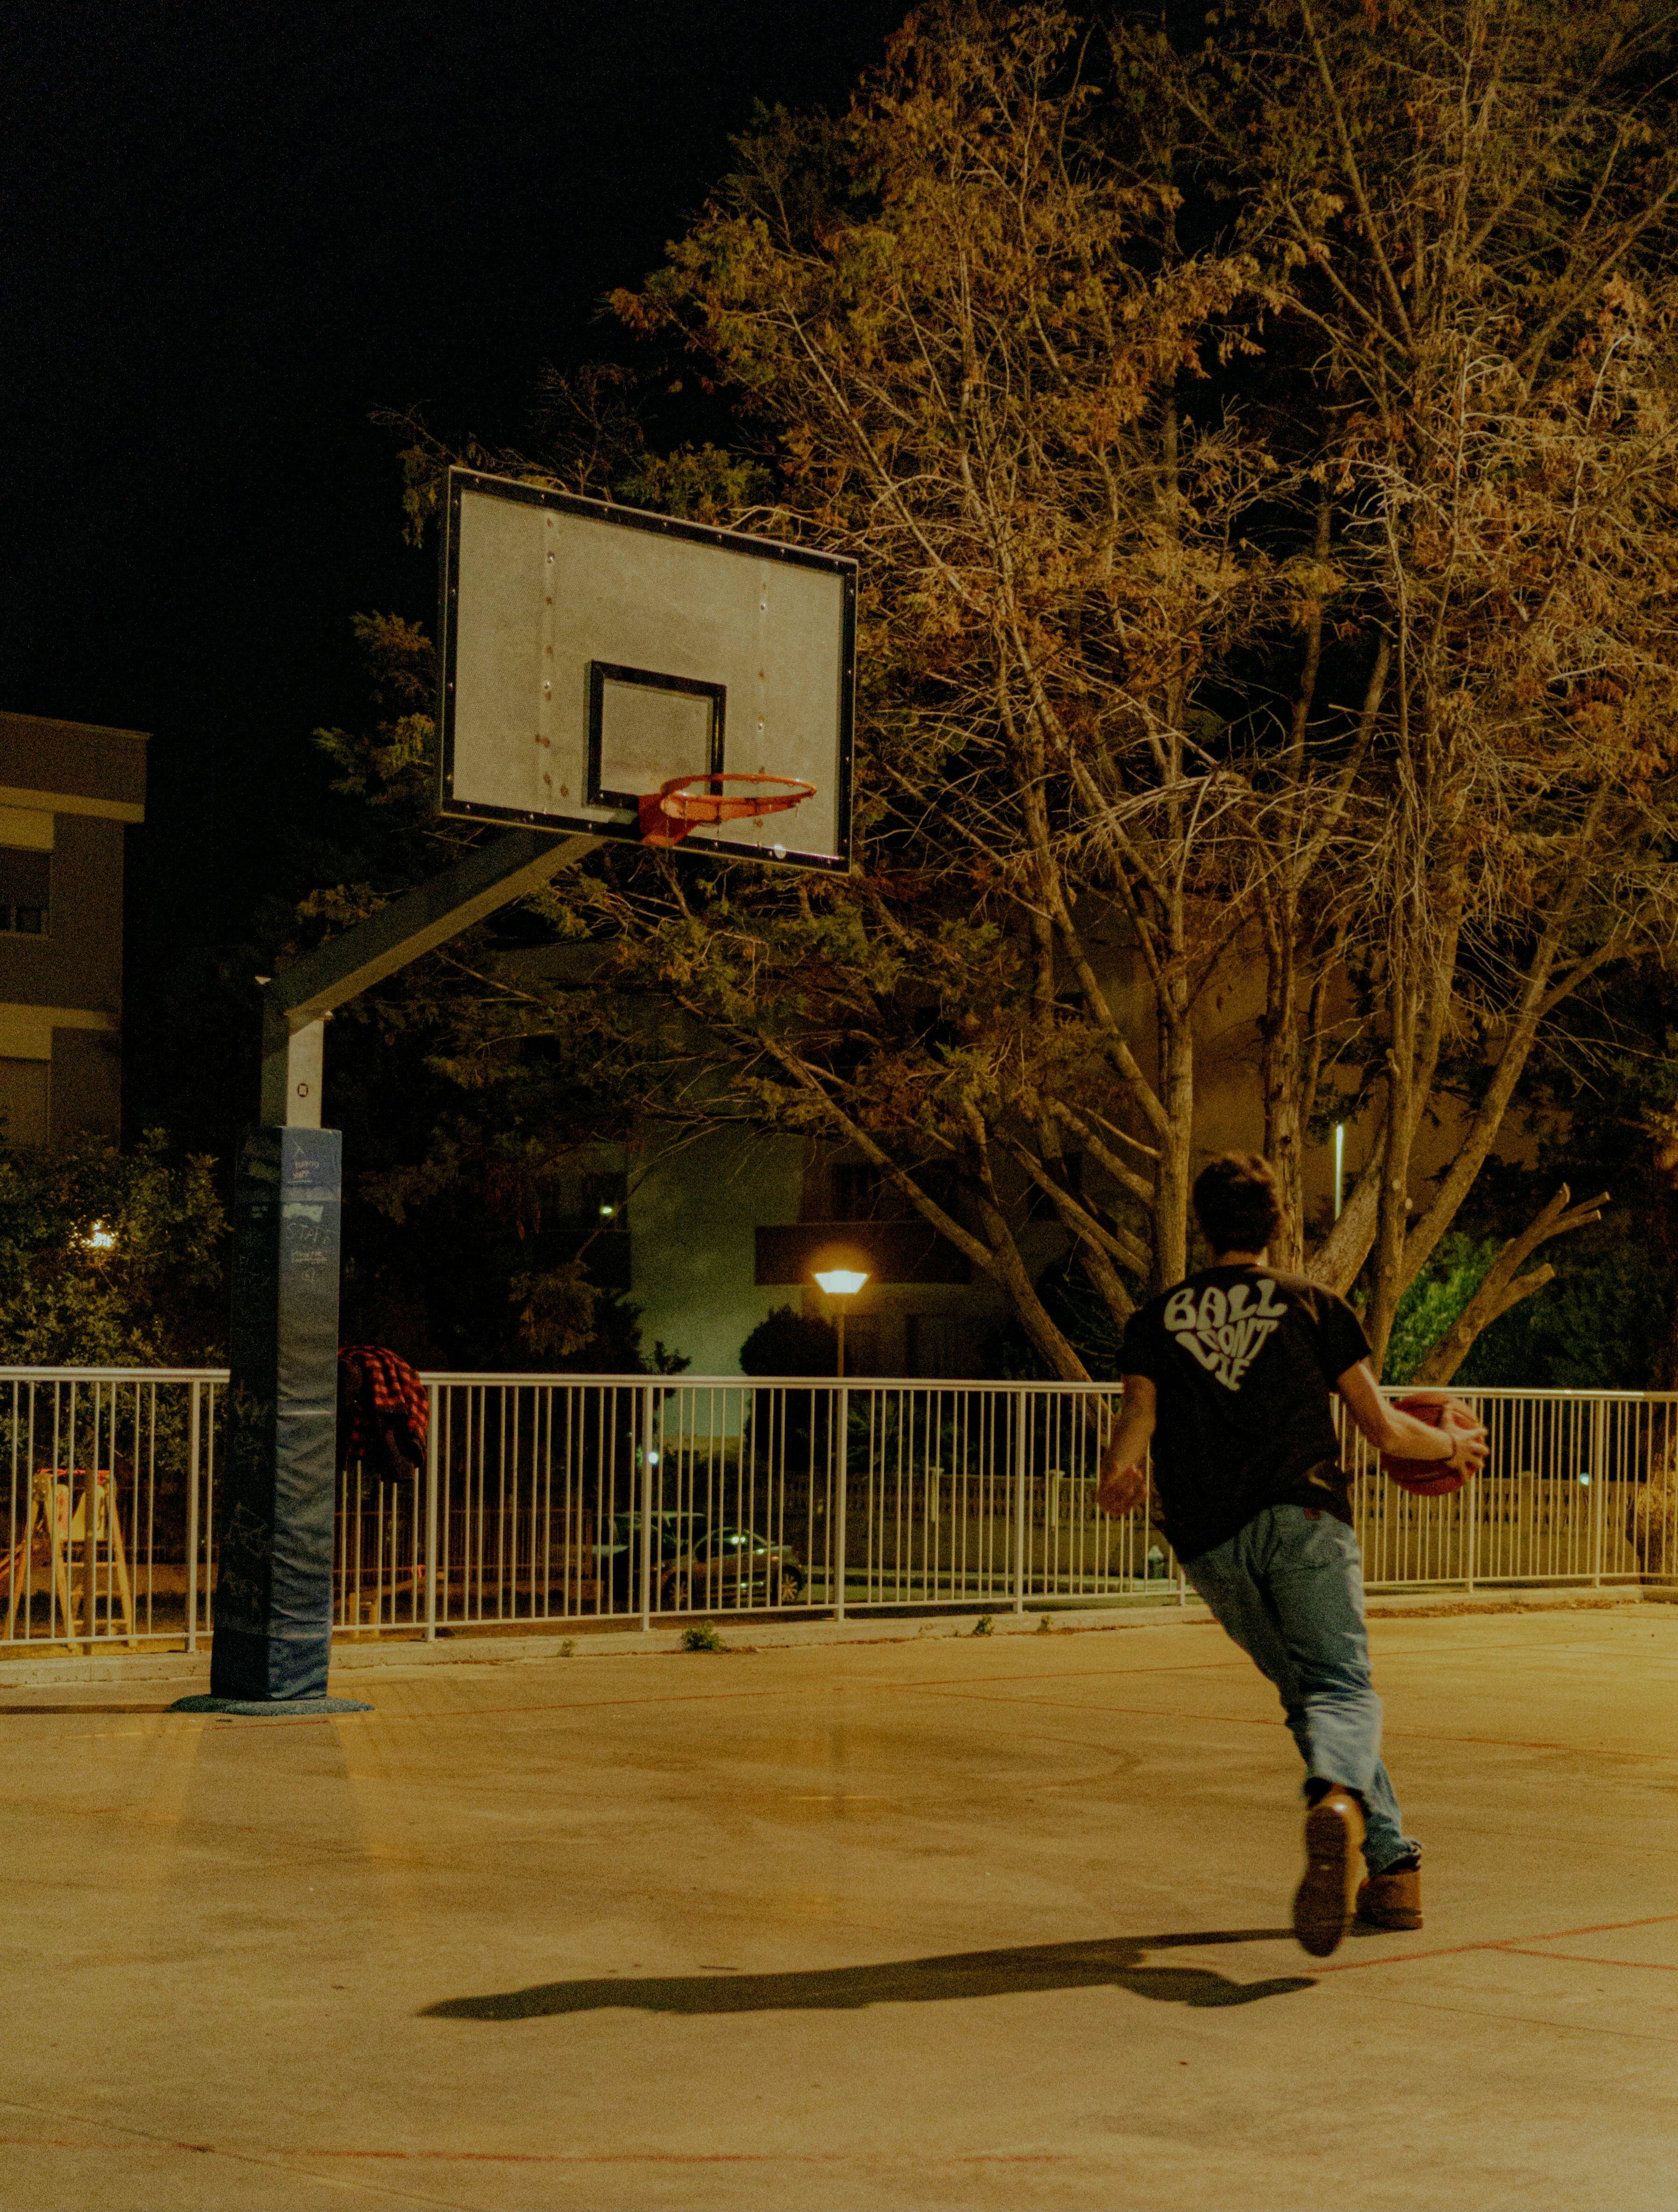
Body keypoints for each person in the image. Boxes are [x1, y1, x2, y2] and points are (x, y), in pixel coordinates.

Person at [1097, 1151, 1487, 1957]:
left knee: (1307, 1694)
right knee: (1341, 1687)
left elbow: (1137, 1419)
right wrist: (1449, 1444)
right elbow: (1382, 1428)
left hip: (1210, 1541)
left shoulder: (1156, 1318)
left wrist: (1120, 1475)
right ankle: (1341, 1804)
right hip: (1304, 1516)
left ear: (1203, 1227)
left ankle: (1394, 1868)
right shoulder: (1314, 1304)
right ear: (1277, 1225)